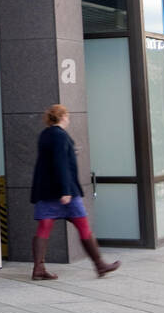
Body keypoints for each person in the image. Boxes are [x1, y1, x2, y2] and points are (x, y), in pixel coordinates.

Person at [30, 104, 121, 280]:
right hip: (65, 192)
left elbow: (50, 161)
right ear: (63, 116)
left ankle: (38, 268)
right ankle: (100, 265)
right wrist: (65, 190)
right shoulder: (60, 135)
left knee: (44, 227)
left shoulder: (45, 135)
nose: (68, 119)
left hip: (45, 191)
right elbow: (60, 163)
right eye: (67, 116)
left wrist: (72, 151)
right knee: (83, 226)